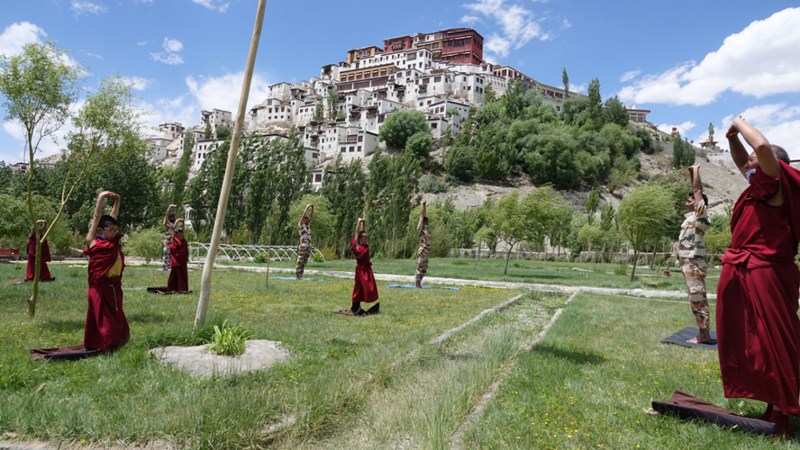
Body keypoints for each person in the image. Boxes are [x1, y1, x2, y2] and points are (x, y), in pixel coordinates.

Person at [716, 116, 800, 436]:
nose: (747, 163)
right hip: (744, 268)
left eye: (754, 161)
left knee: (776, 340)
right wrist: (732, 139)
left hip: (768, 272)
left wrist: (740, 121)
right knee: (754, 340)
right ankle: (772, 401)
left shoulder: (776, 186)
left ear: (774, 167)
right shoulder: (759, 187)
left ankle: (782, 416)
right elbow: (744, 159)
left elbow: (762, 146)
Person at [83, 191, 129, 352]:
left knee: (116, 315)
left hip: (114, 286)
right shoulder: (93, 242)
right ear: (100, 230)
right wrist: (101, 198)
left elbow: (113, 216)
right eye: (111, 229)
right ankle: (106, 343)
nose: (115, 232)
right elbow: (97, 218)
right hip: (99, 287)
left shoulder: (113, 243)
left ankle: (116, 342)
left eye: (116, 229)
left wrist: (118, 200)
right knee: (103, 318)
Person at [677, 165, 711, 344]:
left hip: (694, 262)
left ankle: (703, 333)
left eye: (689, 201)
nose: (686, 203)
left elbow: (697, 192)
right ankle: (702, 331)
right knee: (694, 297)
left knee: (698, 297)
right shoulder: (691, 218)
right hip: (688, 262)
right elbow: (695, 191)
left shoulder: (701, 215)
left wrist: (696, 171)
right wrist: (692, 174)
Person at [349, 217, 379, 315]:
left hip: (367, 269)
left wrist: (364, 224)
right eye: (365, 238)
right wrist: (358, 222)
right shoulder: (356, 246)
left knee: (366, 288)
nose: (367, 239)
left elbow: (363, 232)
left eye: (367, 238)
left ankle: (357, 306)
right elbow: (357, 233)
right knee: (358, 287)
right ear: (360, 239)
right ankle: (355, 306)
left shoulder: (365, 246)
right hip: (360, 270)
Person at [167, 219, 189, 292]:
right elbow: (173, 231)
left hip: (182, 262)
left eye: (181, 233)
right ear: (176, 234)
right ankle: (172, 288)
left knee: (183, 276)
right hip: (176, 262)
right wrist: (176, 222)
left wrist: (183, 223)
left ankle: (183, 289)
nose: (180, 234)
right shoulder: (174, 239)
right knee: (173, 277)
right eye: (178, 233)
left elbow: (183, 230)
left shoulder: (183, 240)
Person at [295, 204, 314, 280]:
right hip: (303, 245)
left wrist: (313, 208)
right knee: (300, 261)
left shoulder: (307, 226)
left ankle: (301, 276)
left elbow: (311, 217)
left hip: (308, 245)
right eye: (305, 219)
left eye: (307, 219)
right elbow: (303, 215)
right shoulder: (301, 225)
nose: (306, 220)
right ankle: (297, 276)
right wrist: (307, 207)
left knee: (304, 261)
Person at [415, 201, 430, 288]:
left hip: (427, 250)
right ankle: (417, 282)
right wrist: (423, 205)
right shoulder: (421, 228)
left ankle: (419, 282)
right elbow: (422, 216)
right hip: (423, 249)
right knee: (420, 266)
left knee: (424, 267)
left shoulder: (426, 229)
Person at [162, 204, 177, 271]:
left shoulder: (173, 224)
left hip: (172, 240)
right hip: (167, 239)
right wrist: (169, 207)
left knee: (171, 253)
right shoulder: (167, 223)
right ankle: (165, 266)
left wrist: (175, 209)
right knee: (166, 252)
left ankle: (170, 265)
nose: (174, 218)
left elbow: (176, 215)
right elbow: (166, 215)